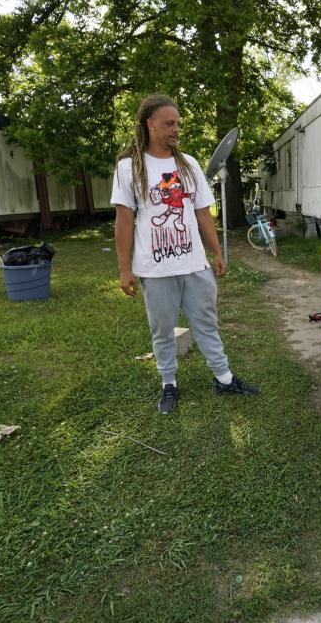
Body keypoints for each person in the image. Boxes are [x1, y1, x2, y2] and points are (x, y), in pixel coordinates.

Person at [111, 94, 260, 415]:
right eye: (169, 123)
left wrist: (217, 252)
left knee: (206, 322)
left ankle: (223, 378)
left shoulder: (188, 164)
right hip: (155, 267)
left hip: (194, 263)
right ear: (150, 125)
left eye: (178, 123)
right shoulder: (129, 168)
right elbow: (124, 221)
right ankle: (169, 383)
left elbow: (203, 213)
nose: (176, 129)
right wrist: (124, 269)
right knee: (162, 330)